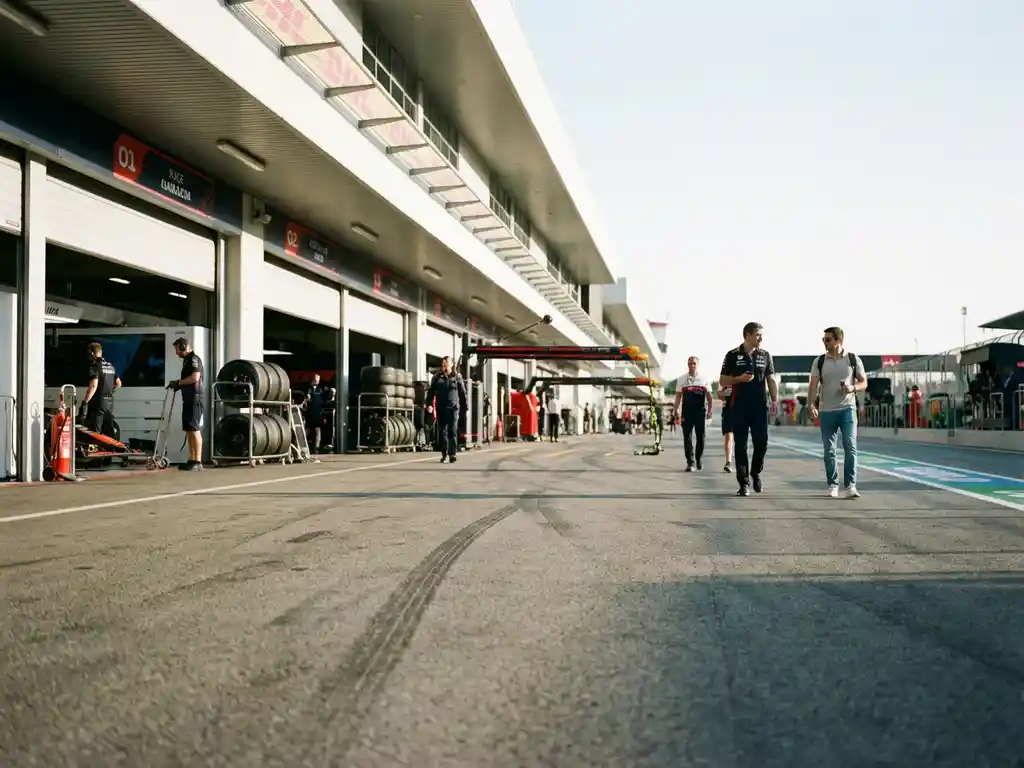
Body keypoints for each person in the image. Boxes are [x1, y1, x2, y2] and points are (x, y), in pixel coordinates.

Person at [719, 322, 778, 496]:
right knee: (741, 446)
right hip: (739, 407)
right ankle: (743, 483)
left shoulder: (765, 355)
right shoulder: (732, 355)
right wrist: (739, 379)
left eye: (762, 335)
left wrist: (774, 400)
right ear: (747, 335)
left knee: (761, 444)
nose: (761, 338)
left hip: (760, 408)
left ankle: (755, 472)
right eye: (758, 334)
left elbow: (771, 379)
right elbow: (723, 380)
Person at [807, 326, 866, 498]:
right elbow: (813, 385)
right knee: (829, 450)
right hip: (827, 411)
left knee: (850, 445)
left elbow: (864, 382)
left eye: (828, 339)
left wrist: (852, 387)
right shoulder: (819, 361)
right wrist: (812, 405)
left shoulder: (853, 359)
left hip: (848, 409)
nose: (824, 342)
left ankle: (850, 486)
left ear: (838, 341)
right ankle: (833, 485)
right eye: (823, 339)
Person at [167, 337, 205, 471]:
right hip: (189, 399)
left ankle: (197, 461)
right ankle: (192, 458)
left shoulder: (193, 359)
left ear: (183, 346)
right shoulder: (187, 360)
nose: (176, 353)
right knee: (189, 429)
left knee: (194, 429)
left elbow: (195, 377)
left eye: (177, 349)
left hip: (195, 398)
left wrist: (179, 383)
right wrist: (179, 385)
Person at [673, 355, 713, 471]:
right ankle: (690, 462)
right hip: (687, 412)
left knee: (701, 437)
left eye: (694, 363)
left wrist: (710, 411)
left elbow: (709, 397)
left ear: (697, 365)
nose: (692, 366)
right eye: (690, 363)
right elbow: (678, 396)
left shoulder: (703, 379)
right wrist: (676, 410)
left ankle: (699, 459)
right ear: (687, 365)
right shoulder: (681, 379)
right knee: (687, 437)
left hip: (700, 412)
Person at [425, 355, 467, 463]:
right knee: (442, 432)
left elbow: (462, 393)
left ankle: (452, 454)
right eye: (443, 364)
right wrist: (429, 404)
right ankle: (444, 454)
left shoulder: (457, 377)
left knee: (452, 431)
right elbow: (430, 392)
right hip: (441, 408)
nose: (444, 366)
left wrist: (465, 408)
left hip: (453, 408)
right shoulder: (437, 378)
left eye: (446, 364)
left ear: (451, 365)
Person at [82, 342, 120, 437]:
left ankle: (96, 448)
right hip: (110, 402)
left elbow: (93, 386)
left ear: (91, 354)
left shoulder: (95, 366)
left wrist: (85, 402)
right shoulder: (110, 366)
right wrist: (109, 391)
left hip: (98, 402)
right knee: (107, 429)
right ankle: (108, 449)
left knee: (96, 430)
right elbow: (119, 383)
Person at [718, 384, 734, 473]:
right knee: (728, 435)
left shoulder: (746, 374)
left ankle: (742, 463)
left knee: (742, 437)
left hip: (742, 410)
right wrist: (726, 393)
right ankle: (728, 462)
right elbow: (720, 395)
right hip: (728, 410)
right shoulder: (725, 377)